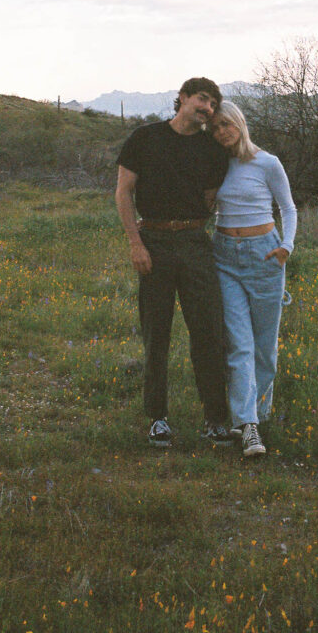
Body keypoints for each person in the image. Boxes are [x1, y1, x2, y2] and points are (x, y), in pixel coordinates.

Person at [115, 77, 233, 447]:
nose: (207, 108)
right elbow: (123, 191)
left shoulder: (212, 149)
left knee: (209, 333)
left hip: (196, 243)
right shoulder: (145, 138)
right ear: (181, 98)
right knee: (157, 332)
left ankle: (215, 419)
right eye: (202, 99)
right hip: (154, 241)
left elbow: (210, 198)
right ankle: (158, 419)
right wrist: (136, 243)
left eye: (213, 103)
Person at [211, 100, 297, 458]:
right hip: (225, 256)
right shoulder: (214, 164)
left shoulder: (267, 163)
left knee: (265, 347)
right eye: (214, 128)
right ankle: (247, 425)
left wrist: (286, 247)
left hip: (265, 256)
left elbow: (288, 207)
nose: (222, 133)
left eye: (226, 125)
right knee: (239, 345)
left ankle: (259, 415)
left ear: (240, 123)